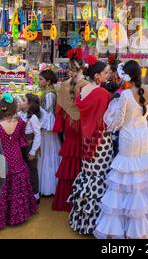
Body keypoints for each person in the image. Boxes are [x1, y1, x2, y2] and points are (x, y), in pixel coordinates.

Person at [94, 60, 148, 239]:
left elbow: (119, 122)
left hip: (128, 138)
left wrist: (108, 121)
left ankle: (126, 224)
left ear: (126, 76)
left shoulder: (125, 96)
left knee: (127, 177)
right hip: (143, 135)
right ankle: (145, 224)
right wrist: (145, 129)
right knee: (143, 175)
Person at [69, 56, 114, 236]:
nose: (108, 75)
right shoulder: (102, 94)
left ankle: (81, 219)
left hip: (86, 139)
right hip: (101, 139)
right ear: (97, 76)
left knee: (87, 174)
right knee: (100, 176)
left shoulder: (82, 90)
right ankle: (96, 222)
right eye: (105, 73)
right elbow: (106, 118)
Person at [52, 48, 88, 212]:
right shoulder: (87, 86)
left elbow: (58, 110)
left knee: (69, 158)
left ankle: (65, 199)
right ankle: (80, 199)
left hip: (69, 125)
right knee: (82, 158)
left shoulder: (63, 86)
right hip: (82, 126)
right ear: (82, 68)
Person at [0, 93, 37, 229]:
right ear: (14, 107)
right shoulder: (20, 122)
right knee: (17, 186)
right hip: (17, 158)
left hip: (2, 159)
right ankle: (17, 215)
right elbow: (22, 141)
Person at [38, 69, 61, 196]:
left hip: (47, 129)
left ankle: (48, 186)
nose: (39, 81)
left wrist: (39, 124)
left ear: (48, 81)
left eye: (41, 79)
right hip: (47, 128)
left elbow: (48, 115)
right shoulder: (47, 92)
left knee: (47, 153)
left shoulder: (49, 94)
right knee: (47, 153)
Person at [19, 93, 42, 204]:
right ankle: (26, 194)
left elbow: (38, 135)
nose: (20, 102)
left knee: (32, 170)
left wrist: (33, 151)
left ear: (29, 104)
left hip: (29, 146)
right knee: (24, 170)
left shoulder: (33, 118)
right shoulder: (20, 115)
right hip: (21, 146)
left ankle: (35, 195)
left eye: (23, 100)